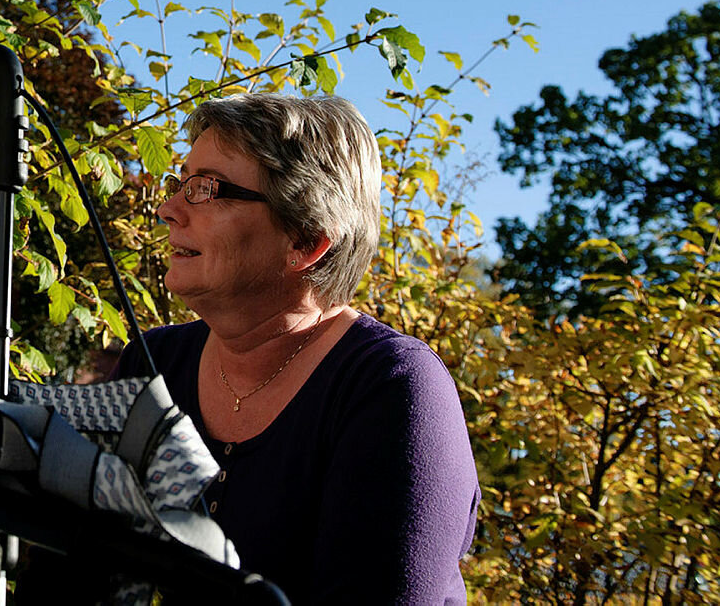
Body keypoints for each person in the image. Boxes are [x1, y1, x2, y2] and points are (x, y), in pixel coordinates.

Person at [114, 92, 480, 604]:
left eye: (206, 189)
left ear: (305, 242)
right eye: (180, 183)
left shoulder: (394, 389)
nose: (168, 209)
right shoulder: (154, 365)